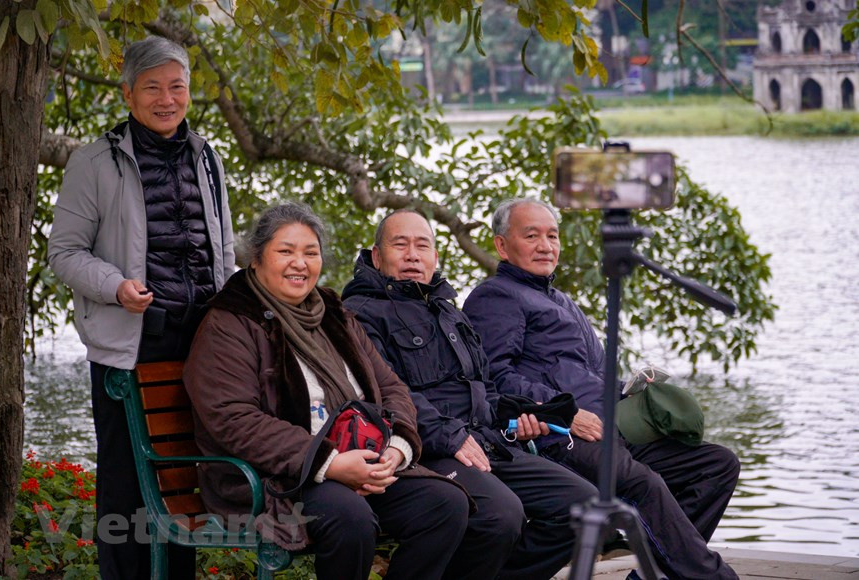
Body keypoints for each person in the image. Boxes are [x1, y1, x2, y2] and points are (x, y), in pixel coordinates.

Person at [183, 202, 470, 579]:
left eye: (310, 253)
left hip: (359, 459)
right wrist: (330, 463)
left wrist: (396, 448)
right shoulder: (230, 323)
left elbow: (390, 387)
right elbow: (233, 419)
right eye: (285, 251)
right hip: (276, 480)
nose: (299, 263)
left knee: (445, 505)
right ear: (256, 259)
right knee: (349, 518)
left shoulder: (333, 313)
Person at [463, 198, 741, 580]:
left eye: (552, 235)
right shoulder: (495, 297)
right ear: (501, 245)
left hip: (611, 430)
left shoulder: (560, 299)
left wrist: (633, 393)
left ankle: (652, 575)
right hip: (557, 436)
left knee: (716, 465)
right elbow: (493, 377)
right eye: (531, 236)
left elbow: (592, 372)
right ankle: (714, 576)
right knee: (643, 484)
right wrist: (565, 413)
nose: (546, 246)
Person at [47, 37, 235, 578]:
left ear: (189, 94)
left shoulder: (207, 155)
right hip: (130, 342)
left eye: (177, 86)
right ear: (128, 94)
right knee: (128, 482)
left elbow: (219, 248)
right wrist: (116, 286)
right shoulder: (94, 161)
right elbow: (64, 253)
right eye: (152, 87)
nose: (166, 98)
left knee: (185, 477)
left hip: (201, 343)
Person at [341, 209, 599, 580]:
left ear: (435, 257)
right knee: (500, 516)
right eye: (401, 244)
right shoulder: (360, 314)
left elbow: (487, 389)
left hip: (486, 442)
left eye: (423, 246)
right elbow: (386, 391)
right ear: (377, 256)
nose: (413, 254)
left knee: (584, 507)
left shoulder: (449, 313)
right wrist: (449, 436)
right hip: (424, 449)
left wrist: (523, 418)